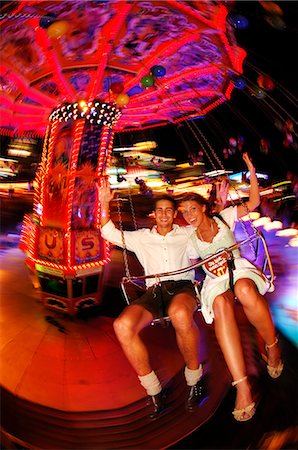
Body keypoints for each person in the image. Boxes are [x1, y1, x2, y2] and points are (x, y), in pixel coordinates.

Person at [179, 152, 283, 422]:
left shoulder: (225, 216)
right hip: (215, 279)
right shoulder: (191, 239)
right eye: (184, 212)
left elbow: (254, 202)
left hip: (238, 268)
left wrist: (250, 170)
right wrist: (205, 270)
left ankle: (272, 346)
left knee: (244, 291)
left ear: (203, 207)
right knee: (221, 304)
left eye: (192, 208)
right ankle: (243, 386)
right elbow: (194, 270)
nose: (188, 214)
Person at [97, 179, 205, 419]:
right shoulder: (141, 237)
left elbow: (209, 231)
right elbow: (108, 232)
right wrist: (105, 203)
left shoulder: (187, 234)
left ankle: (194, 379)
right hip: (153, 291)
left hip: (182, 287)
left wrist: (218, 204)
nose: (164, 214)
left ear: (175, 214)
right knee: (122, 326)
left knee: (179, 314)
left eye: (169, 210)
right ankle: (154, 390)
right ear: (153, 214)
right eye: (160, 210)